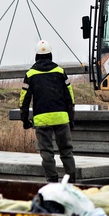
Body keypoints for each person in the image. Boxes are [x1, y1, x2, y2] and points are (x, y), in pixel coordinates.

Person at [19, 39, 77, 183]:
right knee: (66, 151)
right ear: (50, 55)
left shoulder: (31, 74)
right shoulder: (60, 72)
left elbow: (24, 100)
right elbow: (70, 97)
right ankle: (72, 182)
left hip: (42, 120)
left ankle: (52, 182)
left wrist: (25, 120)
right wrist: (71, 119)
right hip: (62, 118)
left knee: (47, 153)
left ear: (36, 56)